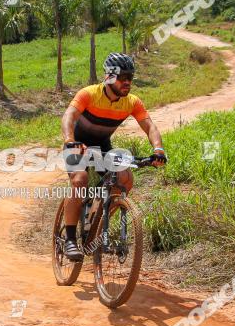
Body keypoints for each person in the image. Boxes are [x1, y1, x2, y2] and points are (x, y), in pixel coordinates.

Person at [60, 52, 166, 261]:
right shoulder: (89, 94)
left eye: (130, 77)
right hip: (78, 144)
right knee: (80, 181)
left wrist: (158, 150)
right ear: (109, 77)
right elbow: (69, 116)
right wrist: (69, 139)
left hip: (102, 147)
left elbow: (149, 125)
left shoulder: (131, 102)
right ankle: (70, 239)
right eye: (122, 77)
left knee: (125, 178)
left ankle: (97, 219)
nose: (127, 82)